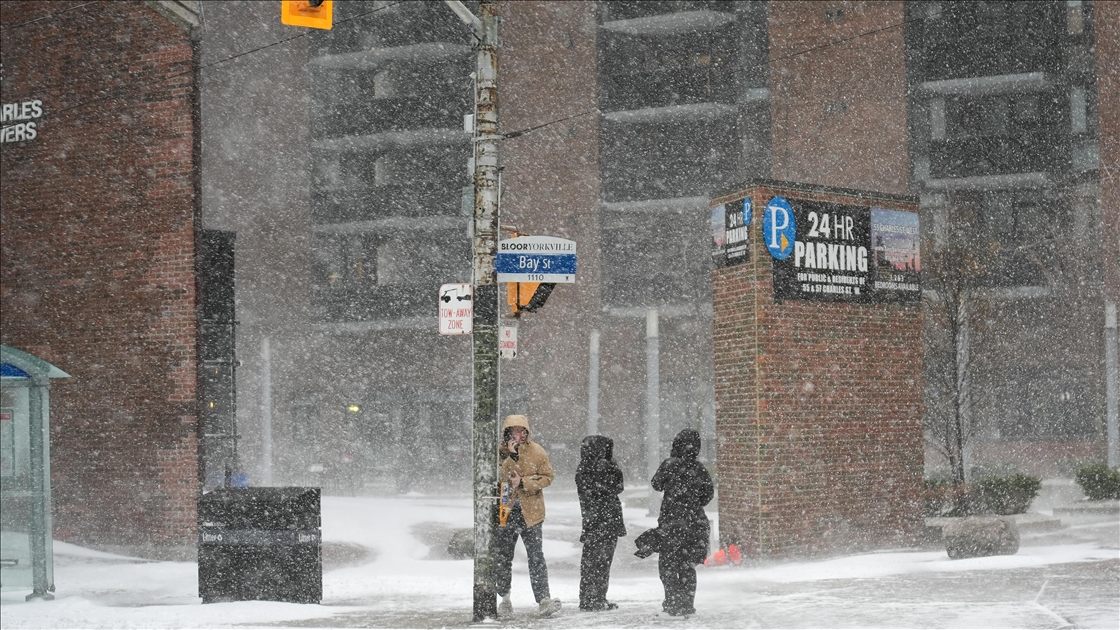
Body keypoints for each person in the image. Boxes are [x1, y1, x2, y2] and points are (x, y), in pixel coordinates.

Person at [494, 415, 562, 618]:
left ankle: (543, 599)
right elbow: (498, 476)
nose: (520, 435)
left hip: (531, 513)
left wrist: (524, 482)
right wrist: (511, 457)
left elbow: (548, 477)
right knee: (503, 557)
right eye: (515, 431)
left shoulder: (537, 451)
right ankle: (505, 600)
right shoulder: (499, 452)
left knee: (536, 557)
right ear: (508, 433)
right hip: (506, 511)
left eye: (523, 431)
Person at [651, 428, 714, 617]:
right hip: (694, 523)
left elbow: (656, 484)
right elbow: (707, 495)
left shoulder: (669, 464)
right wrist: (692, 503)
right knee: (687, 566)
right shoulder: (699, 468)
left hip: (671, 524)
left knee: (668, 566)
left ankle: (672, 603)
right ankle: (687, 604)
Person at [575, 435, 626, 611]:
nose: (605, 453)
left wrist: (611, 468)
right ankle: (588, 599)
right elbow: (596, 491)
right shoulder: (584, 470)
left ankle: (599, 598)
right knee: (591, 562)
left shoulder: (609, 466)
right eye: (602, 449)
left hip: (610, 521)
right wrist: (604, 473)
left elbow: (619, 486)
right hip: (595, 522)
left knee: (604, 562)